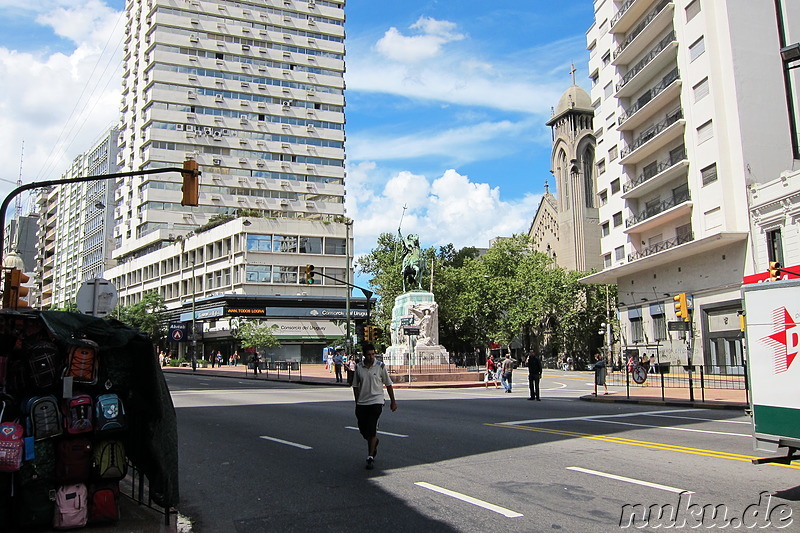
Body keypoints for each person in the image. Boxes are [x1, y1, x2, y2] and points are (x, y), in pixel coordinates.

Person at [352, 343, 397, 470]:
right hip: (362, 403)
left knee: (372, 428)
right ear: (364, 355)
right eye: (369, 354)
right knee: (363, 429)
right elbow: (355, 386)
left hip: (376, 401)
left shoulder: (380, 366)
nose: (371, 357)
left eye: (373, 354)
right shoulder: (359, 367)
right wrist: (357, 401)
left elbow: (388, 384)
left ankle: (370, 456)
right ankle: (374, 442)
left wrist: (393, 401)